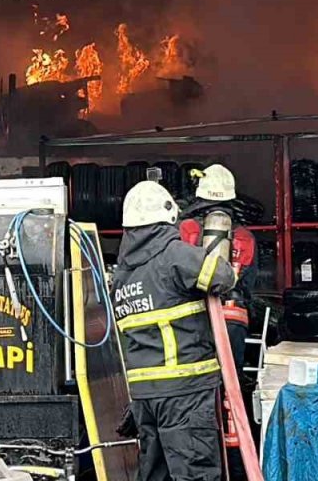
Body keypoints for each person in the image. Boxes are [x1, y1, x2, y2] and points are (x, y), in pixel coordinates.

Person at [113, 180, 237, 481]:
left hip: (144, 397)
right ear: (168, 218)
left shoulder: (122, 275)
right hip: (185, 391)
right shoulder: (175, 255)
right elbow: (222, 276)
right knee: (195, 473)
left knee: (156, 474)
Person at [178, 164, 257, 368]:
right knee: (230, 387)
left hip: (194, 322)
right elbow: (248, 286)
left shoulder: (184, 229)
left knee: (198, 386)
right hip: (233, 320)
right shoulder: (246, 237)